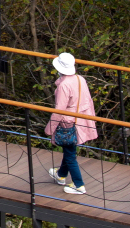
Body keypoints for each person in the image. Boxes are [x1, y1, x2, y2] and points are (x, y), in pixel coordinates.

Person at [44, 52, 97, 195]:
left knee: (69, 154)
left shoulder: (63, 86)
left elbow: (59, 109)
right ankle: (61, 174)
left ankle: (79, 184)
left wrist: (50, 128)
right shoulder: (80, 79)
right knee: (69, 149)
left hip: (68, 123)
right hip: (80, 119)